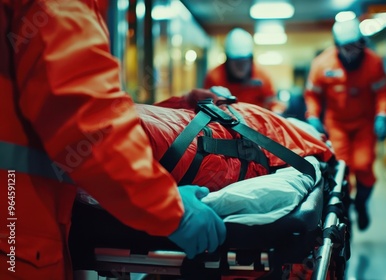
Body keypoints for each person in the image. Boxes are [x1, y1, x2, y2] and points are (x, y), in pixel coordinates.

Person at [0, 1, 225, 279]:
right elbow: (88, 122)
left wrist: (177, 108)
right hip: (15, 232)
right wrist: (171, 209)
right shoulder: (63, 6)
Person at [304, 18, 386, 231]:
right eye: (346, 47)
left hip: (364, 123)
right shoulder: (322, 64)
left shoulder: (373, 63)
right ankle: (345, 213)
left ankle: (361, 204)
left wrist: (382, 115)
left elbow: (382, 92)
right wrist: (313, 116)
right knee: (342, 169)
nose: (351, 51)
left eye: (355, 45)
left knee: (363, 166)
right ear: (337, 46)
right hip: (336, 124)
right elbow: (312, 95)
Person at [204, 28, 282, 112]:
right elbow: (207, 107)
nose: (240, 67)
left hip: (256, 122)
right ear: (227, 61)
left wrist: (276, 112)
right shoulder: (214, 77)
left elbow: (273, 104)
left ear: (250, 60)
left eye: (244, 62)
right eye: (236, 62)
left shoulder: (262, 77)